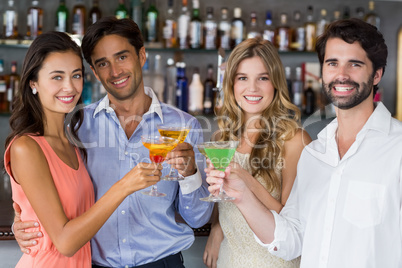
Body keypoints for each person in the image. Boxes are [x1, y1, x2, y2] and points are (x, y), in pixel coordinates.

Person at [12, 17, 213, 267]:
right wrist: (26, 218)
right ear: (94, 72)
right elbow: (56, 189)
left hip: (163, 262)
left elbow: (197, 219)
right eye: (103, 63)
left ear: (141, 56)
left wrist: (190, 173)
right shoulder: (77, 126)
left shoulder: (184, 127)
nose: (115, 71)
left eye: (122, 57)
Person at [207, 18, 402, 268]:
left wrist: (247, 182)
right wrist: (239, 195)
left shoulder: (396, 148)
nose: (341, 75)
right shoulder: (316, 153)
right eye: (332, 63)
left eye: (354, 64)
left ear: (377, 74)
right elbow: (291, 238)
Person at [3, 31, 163, 267]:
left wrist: (24, 217)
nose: (69, 87)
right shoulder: (26, 147)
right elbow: (65, 243)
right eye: (57, 77)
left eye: (76, 75)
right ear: (33, 82)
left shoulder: (73, 142)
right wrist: (124, 186)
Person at [202, 37, 311, 268]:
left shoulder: (294, 140)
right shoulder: (222, 140)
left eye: (263, 78)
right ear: (232, 84)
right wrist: (216, 228)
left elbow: (291, 224)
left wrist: (247, 181)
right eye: (243, 78)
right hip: (228, 260)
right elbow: (222, 200)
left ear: (276, 83)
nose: (252, 88)